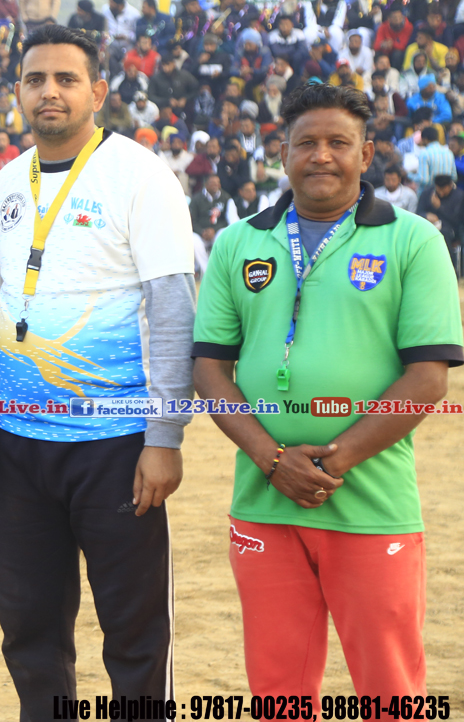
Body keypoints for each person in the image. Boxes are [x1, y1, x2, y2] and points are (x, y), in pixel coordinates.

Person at [192, 82, 463, 695]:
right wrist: (272, 460)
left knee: (391, 688)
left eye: (338, 143)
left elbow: (427, 379)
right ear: (281, 152)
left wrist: (329, 463)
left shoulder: (413, 239)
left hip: (372, 503)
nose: (321, 155)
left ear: (366, 155)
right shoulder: (238, 242)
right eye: (305, 142)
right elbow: (209, 369)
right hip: (264, 504)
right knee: (277, 688)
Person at [0, 25, 195, 707]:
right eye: (35, 79)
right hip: (17, 447)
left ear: (97, 92)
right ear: (18, 92)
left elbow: (172, 310)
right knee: (30, 634)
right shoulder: (9, 180)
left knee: (134, 634)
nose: (49, 92)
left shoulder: (140, 174)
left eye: (66, 79)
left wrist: (164, 438)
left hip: (116, 445)